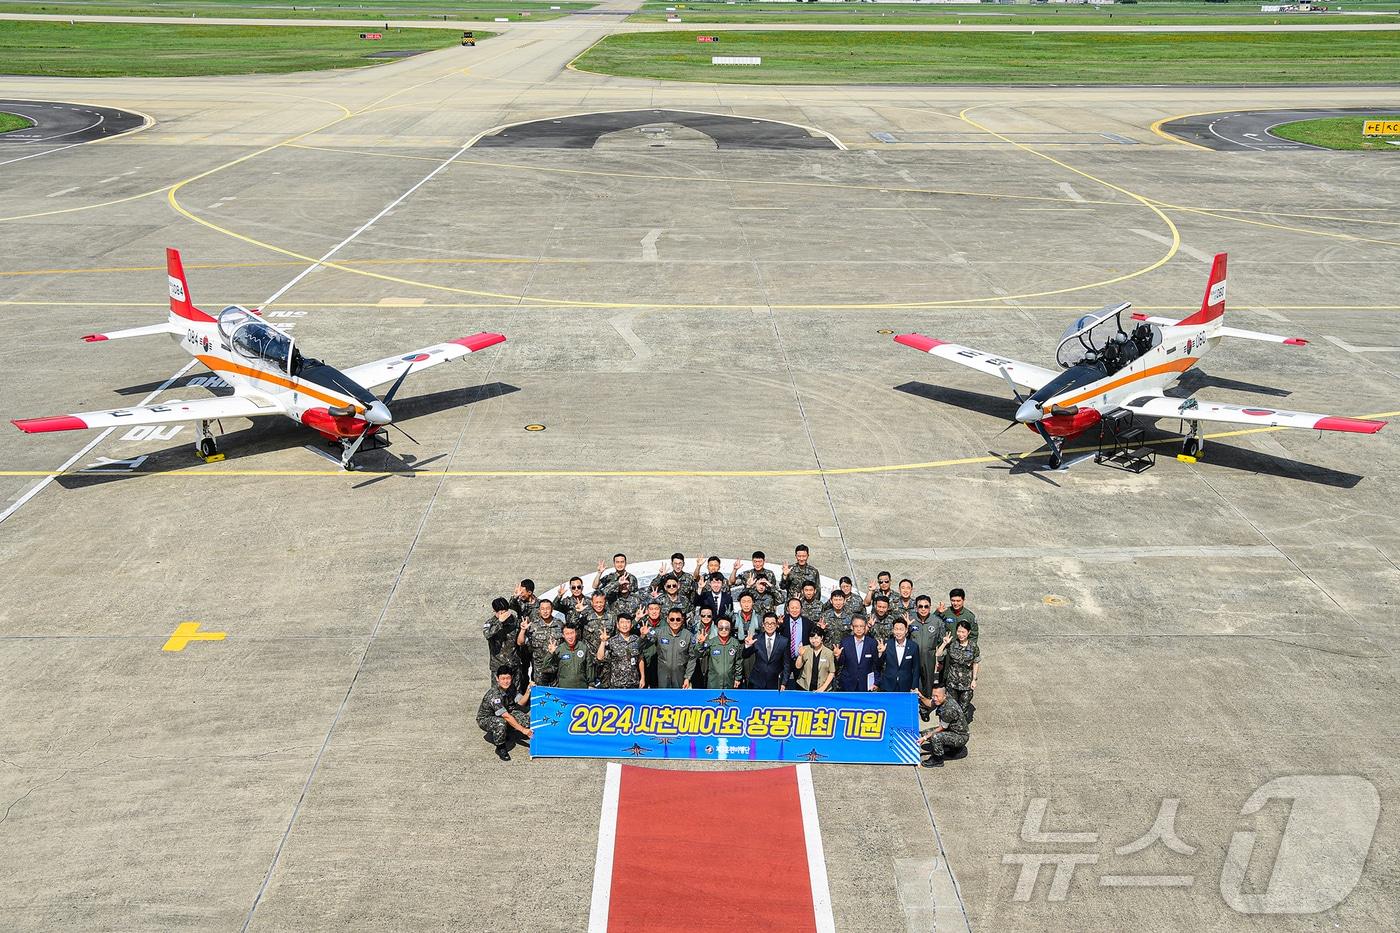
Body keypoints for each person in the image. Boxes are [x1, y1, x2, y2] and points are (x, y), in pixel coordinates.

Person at [478, 667, 532, 762]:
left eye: (508, 678)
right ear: (497, 678)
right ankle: (500, 747)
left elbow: (521, 702)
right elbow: (505, 715)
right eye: (503, 679)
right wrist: (523, 730)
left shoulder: (512, 688)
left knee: (526, 720)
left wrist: (528, 691)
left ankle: (508, 730)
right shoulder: (494, 695)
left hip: (505, 712)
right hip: (487, 719)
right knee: (501, 723)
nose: (506, 681)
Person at [936, 620, 980, 719]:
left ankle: (962, 730)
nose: (961, 634)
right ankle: (952, 728)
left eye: (963, 632)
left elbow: (976, 663)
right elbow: (938, 654)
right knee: (952, 707)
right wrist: (944, 644)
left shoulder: (973, 646)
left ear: (968, 632)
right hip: (952, 683)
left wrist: (974, 679)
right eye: (959, 631)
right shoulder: (952, 644)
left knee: (963, 708)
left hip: (966, 684)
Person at [646, 608, 698, 689]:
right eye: (672, 619)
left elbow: (692, 658)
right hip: (662, 676)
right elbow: (642, 646)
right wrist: (643, 636)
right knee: (663, 700)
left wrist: (687, 677)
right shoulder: (659, 632)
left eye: (678, 619)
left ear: (682, 620)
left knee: (678, 700)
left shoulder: (688, 636)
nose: (675, 622)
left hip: (679, 676)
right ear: (667, 620)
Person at [516, 598, 564, 685]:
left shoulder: (559, 624)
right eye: (542, 609)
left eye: (547, 608)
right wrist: (523, 630)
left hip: (557, 669)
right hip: (539, 670)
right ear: (539, 610)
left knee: (556, 696)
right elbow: (520, 642)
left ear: (552, 609)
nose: (545, 611)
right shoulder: (533, 625)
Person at [919, 686, 969, 767]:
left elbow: (941, 728)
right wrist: (921, 696)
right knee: (925, 733)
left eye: (937, 696)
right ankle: (949, 746)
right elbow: (930, 704)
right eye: (933, 696)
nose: (934, 698)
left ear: (944, 695)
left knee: (935, 737)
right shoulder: (942, 699)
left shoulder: (949, 709)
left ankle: (938, 759)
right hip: (951, 730)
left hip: (960, 736)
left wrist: (924, 739)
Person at [909, 596, 940, 716]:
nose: (923, 609)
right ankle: (913, 706)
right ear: (916, 608)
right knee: (915, 682)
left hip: (929, 658)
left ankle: (925, 708)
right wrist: (907, 627)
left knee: (928, 683)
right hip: (913, 658)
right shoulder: (910, 619)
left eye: (926, 606)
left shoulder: (936, 621)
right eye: (920, 606)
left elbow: (943, 641)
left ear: (930, 607)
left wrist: (940, 660)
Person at [597, 614, 646, 689]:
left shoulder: (636, 640)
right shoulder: (612, 641)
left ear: (631, 625)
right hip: (617, 684)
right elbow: (600, 657)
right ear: (617, 625)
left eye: (627, 622)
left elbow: (640, 659)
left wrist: (642, 677)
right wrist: (603, 642)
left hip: (633, 683)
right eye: (622, 622)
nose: (625, 625)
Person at [744, 613, 789, 690]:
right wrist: (748, 646)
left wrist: (784, 683)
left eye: (772, 623)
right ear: (763, 625)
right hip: (756, 682)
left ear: (777, 625)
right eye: (767, 623)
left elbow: (786, 664)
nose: (770, 625)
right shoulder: (756, 639)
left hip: (775, 682)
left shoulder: (784, 641)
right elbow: (745, 655)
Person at [834, 616, 879, 692]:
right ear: (852, 627)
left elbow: (876, 665)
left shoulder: (872, 643)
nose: (859, 629)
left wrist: (876, 682)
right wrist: (838, 657)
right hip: (848, 684)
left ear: (865, 627)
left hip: (866, 684)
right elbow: (841, 663)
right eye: (856, 626)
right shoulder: (845, 642)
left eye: (861, 626)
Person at [698, 617, 744, 690]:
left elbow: (738, 661)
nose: (723, 630)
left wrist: (738, 678)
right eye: (721, 628)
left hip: (730, 681)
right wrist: (700, 643)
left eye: (726, 628)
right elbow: (699, 654)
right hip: (713, 682)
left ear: (730, 629)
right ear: (717, 628)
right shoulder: (711, 643)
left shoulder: (735, 643)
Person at [547, 621, 593, 689]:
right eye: (567, 634)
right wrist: (550, 654)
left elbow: (589, 667)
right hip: (564, 689)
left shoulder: (583, 647)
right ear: (563, 635)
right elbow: (547, 668)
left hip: (581, 688)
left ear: (576, 633)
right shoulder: (559, 649)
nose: (570, 636)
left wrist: (591, 684)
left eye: (572, 633)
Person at [482, 597, 521, 679]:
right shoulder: (491, 623)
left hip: (513, 664)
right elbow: (487, 634)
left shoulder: (515, 621)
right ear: (494, 610)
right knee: (498, 690)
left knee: (516, 691)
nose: (504, 614)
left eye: (505, 611)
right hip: (498, 666)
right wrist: (499, 622)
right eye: (500, 612)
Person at [879, 619, 921, 693]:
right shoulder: (886, 644)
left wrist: (915, 686)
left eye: (901, 629)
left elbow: (916, 668)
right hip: (888, 684)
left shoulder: (913, 646)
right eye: (896, 629)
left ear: (906, 630)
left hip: (906, 685)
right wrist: (880, 653)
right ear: (893, 630)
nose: (898, 632)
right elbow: (879, 665)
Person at [780, 598, 807, 684]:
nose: (794, 610)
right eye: (792, 608)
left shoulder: (808, 623)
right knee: (783, 685)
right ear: (787, 609)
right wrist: (779, 626)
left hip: (800, 659)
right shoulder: (782, 621)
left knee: (800, 686)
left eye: (797, 608)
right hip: (784, 660)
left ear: (801, 609)